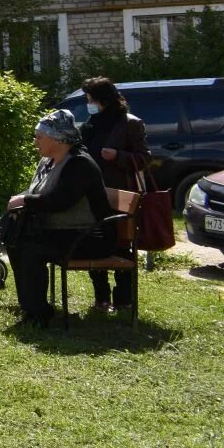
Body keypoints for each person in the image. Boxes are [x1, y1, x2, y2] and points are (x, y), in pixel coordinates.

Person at [6, 110, 116, 328]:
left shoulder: (79, 164)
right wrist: (21, 202)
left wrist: (25, 200)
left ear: (57, 139)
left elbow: (59, 201)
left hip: (90, 237)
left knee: (31, 248)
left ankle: (39, 314)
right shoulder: (48, 162)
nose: (35, 142)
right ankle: (31, 308)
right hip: (64, 232)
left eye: (39, 137)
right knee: (16, 241)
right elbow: (39, 193)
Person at [79, 77, 149, 312]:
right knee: (95, 241)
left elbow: (143, 158)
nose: (89, 104)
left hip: (120, 194)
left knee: (121, 244)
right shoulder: (91, 123)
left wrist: (117, 156)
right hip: (93, 193)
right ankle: (101, 298)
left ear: (104, 100)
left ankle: (123, 299)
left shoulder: (129, 124)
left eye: (91, 100)